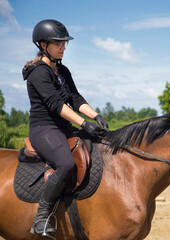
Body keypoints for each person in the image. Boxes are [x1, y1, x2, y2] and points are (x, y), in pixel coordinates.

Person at [23, 19, 109, 237]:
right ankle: (41, 218)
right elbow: (56, 104)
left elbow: (75, 98)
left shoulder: (63, 70)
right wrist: (83, 123)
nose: (62, 47)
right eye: (58, 43)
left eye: (64, 43)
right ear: (43, 45)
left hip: (63, 127)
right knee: (66, 163)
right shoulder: (38, 72)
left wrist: (95, 116)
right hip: (44, 129)